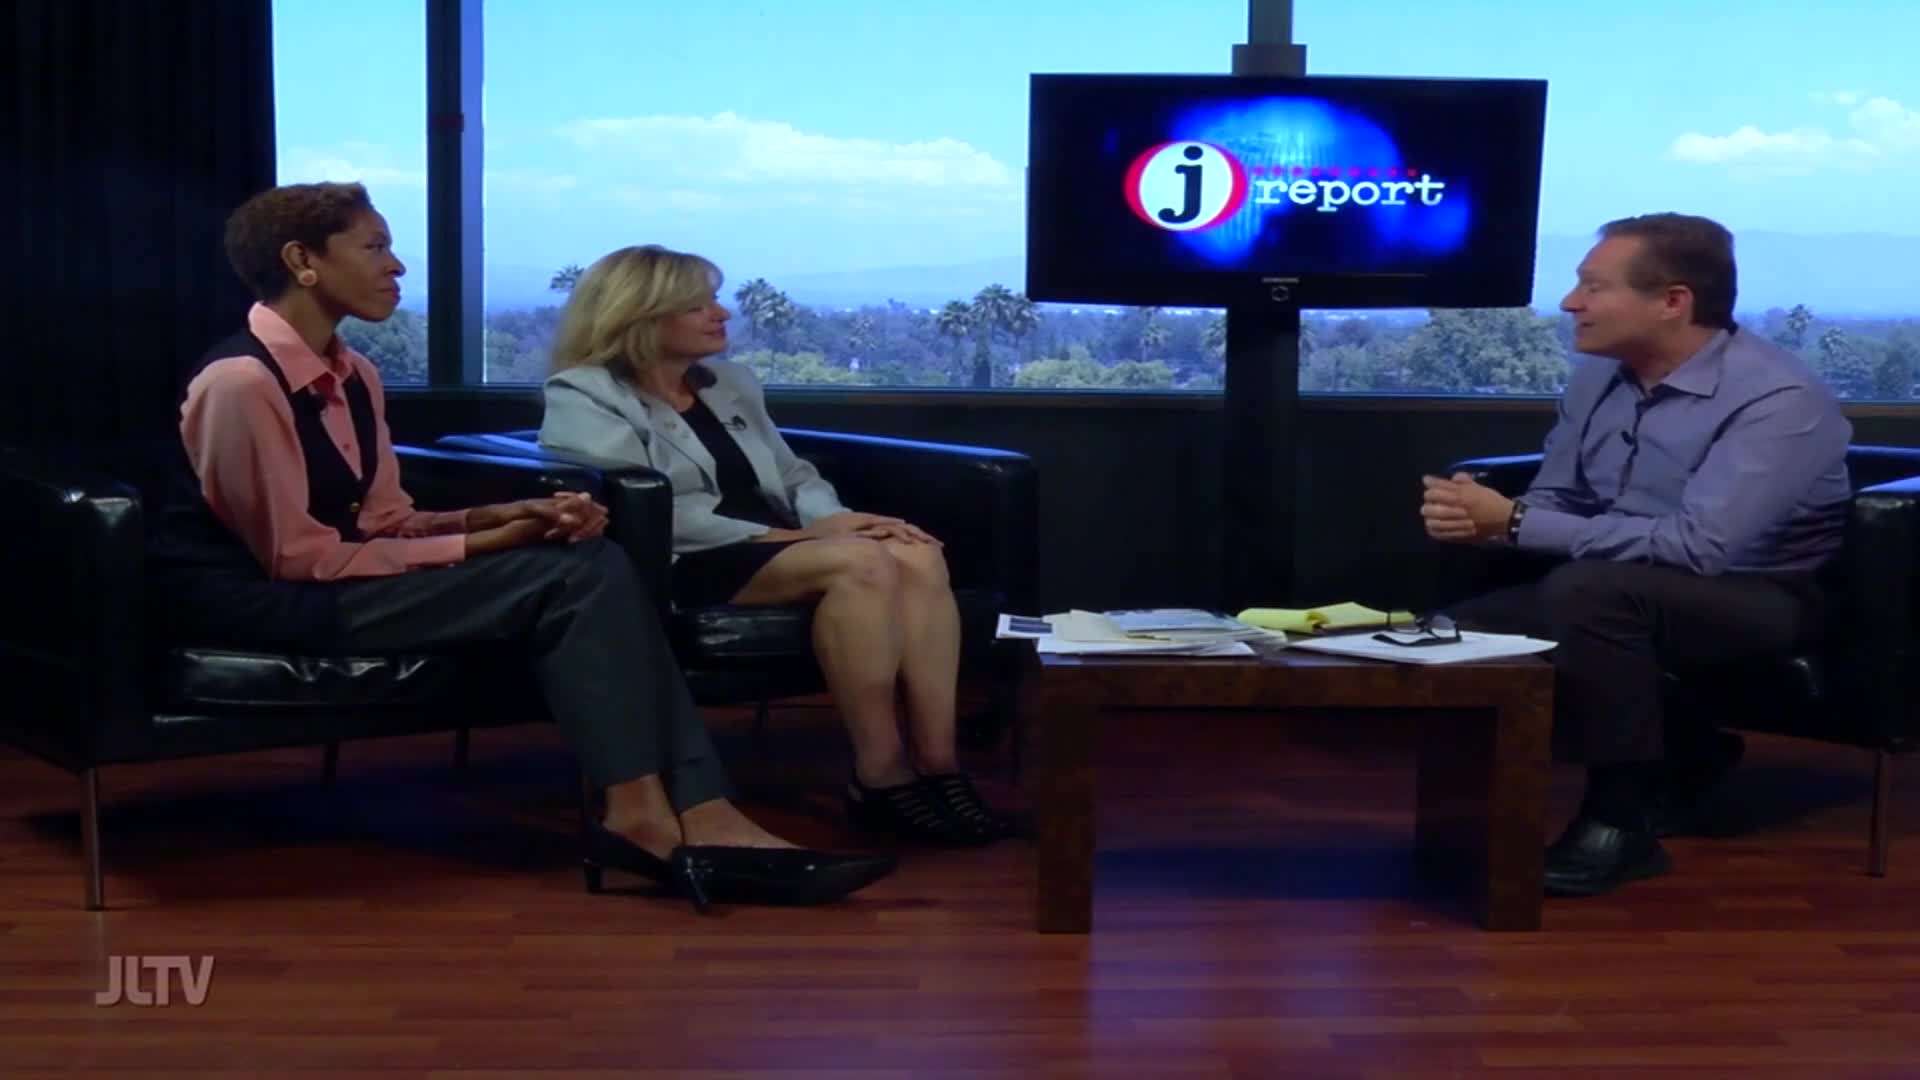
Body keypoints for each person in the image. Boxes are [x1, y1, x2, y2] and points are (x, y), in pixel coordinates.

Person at [145, 182, 894, 913]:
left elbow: (384, 520)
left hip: (335, 580)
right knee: (578, 575)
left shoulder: (355, 373)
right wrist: (488, 545)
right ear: (302, 261)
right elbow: (298, 559)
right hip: (265, 601)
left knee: (588, 560)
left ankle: (660, 812)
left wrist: (510, 514)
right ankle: (670, 813)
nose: (397, 265)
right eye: (374, 247)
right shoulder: (241, 382)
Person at [1419, 212, 1851, 898]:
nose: (1570, 303)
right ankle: (1683, 747)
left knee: (1589, 593)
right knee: (1453, 633)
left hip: (1762, 593)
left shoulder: (1780, 399)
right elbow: (1560, 497)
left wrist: (1519, 521)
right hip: (1621, 577)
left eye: (1594, 286)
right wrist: (1483, 520)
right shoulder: (1597, 377)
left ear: (1672, 301)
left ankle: (1620, 824)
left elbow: (1699, 546)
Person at [537, 244, 1019, 847]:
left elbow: (794, 478)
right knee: (861, 563)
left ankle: (939, 766)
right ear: (640, 316)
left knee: (919, 555)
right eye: (698, 305)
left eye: (715, 299)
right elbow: (649, 510)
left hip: (788, 544)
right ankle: (880, 774)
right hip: (687, 557)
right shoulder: (585, 394)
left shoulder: (729, 383)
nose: (721, 313)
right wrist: (805, 536)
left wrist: (841, 519)